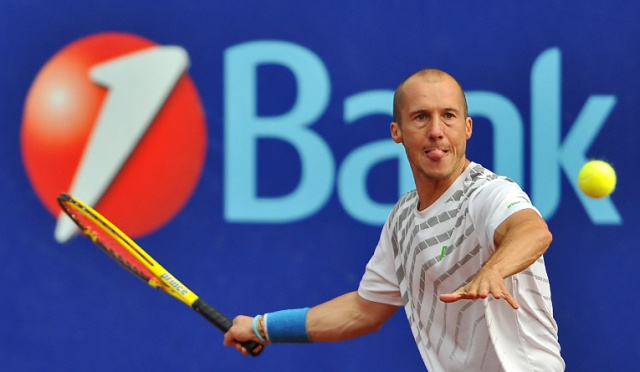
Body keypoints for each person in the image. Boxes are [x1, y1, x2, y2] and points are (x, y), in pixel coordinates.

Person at [223, 68, 565, 371]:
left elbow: (532, 231)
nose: (436, 130)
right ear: (396, 131)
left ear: (467, 128)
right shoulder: (402, 220)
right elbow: (362, 311)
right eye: (420, 117)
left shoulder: (488, 193)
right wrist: (263, 327)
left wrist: (493, 270)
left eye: (448, 116)